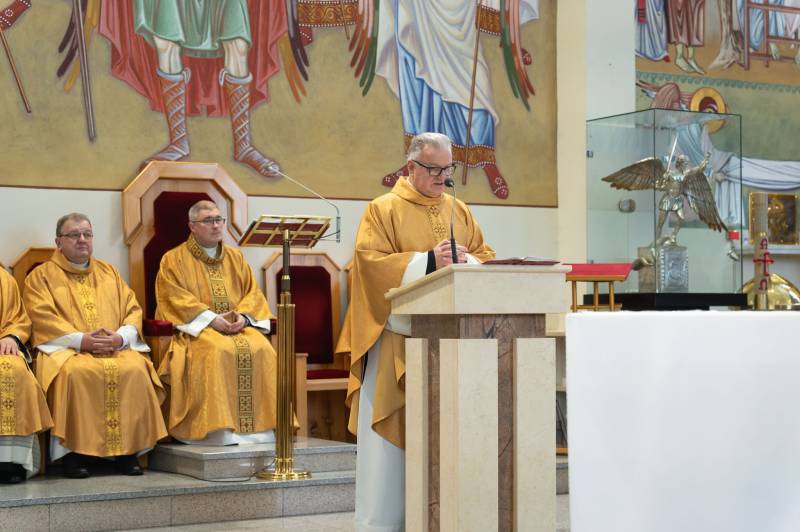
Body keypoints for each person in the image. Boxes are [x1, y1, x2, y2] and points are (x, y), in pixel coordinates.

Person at [336, 132, 496, 531]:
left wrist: (466, 260)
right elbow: (369, 265)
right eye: (434, 169)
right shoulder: (383, 209)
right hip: (397, 337)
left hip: (450, 340)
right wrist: (427, 260)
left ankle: (438, 516)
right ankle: (383, 523)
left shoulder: (459, 209)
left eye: (448, 168)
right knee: (389, 448)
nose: (443, 177)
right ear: (410, 166)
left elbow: (485, 255)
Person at [24, 213, 168, 478]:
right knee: (75, 374)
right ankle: (72, 454)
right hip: (67, 350)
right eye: (74, 235)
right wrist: (82, 341)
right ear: (59, 241)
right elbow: (41, 318)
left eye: (87, 234)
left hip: (114, 348)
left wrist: (120, 338)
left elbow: (132, 310)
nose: (82, 240)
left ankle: (127, 453)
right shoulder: (41, 277)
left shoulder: (109, 272)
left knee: (136, 369)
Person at [155, 200, 277, 445]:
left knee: (263, 349)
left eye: (219, 220)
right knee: (217, 349)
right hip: (198, 330)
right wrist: (210, 319)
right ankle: (216, 431)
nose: (216, 225)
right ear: (192, 226)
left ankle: (260, 429)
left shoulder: (235, 257)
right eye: (208, 221)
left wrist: (244, 316)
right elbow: (173, 297)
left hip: (238, 327)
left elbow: (252, 292)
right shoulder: (173, 259)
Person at [0, 268, 53, 484]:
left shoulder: (3, 279)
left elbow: (17, 319)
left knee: (14, 370)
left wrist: (11, 337)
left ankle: (10, 462)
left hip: (1, 347)